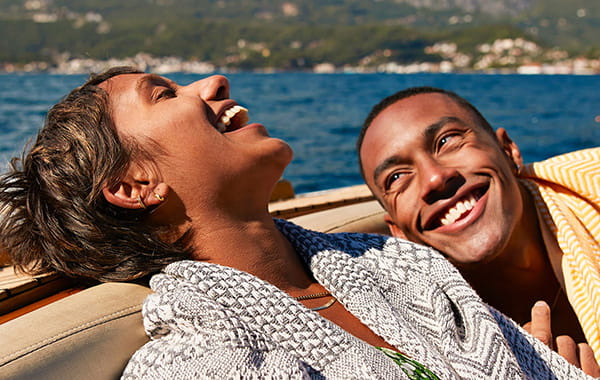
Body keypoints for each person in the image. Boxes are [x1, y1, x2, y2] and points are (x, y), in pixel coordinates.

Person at [0, 68, 595, 379]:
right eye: (164, 94)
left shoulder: (404, 266)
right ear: (134, 186)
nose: (214, 84)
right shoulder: (197, 364)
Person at [357, 85, 600, 368]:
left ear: (508, 150)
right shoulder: (419, 339)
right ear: (397, 230)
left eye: (447, 140)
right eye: (397, 176)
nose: (434, 178)